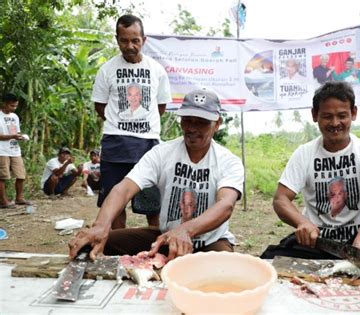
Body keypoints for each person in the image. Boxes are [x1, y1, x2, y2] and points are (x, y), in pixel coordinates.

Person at [69, 88, 244, 261]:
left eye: (201, 122)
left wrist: (186, 230)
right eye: (187, 120)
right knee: (88, 246)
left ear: (217, 124)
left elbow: (225, 205)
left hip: (210, 241)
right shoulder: (162, 153)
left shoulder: (228, 161)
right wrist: (101, 225)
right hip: (166, 236)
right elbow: (124, 189)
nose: (192, 128)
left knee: (224, 270)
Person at [260, 81, 360, 274]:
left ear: (354, 113)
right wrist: (301, 222)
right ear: (315, 115)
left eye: (342, 115)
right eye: (327, 116)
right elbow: (281, 199)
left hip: (358, 240)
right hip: (315, 240)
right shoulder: (304, 153)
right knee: (267, 265)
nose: (335, 123)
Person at [92, 14, 172, 229]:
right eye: (124, 40)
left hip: (148, 145)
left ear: (143, 40)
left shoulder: (157, 70)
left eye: (135, 40)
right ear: (117, 39)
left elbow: (161, 106)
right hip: (115, 144)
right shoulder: (106, 70)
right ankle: (118, 251)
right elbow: (100, 106)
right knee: (114, 203)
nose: (130, 46)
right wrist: (119, 124)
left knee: (152, 203)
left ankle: (156, 248)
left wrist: (142, 124)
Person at [0, 93, 31, 208]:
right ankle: (3, 201)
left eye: (15, 106)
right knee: (2, 177)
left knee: (21, 174)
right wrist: (12, 136)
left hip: (14, 149)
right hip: (2, 150)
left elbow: (15, 132)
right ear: (4, 104)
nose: (14, 108)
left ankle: (19, 198)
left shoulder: (15, 116)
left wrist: (20, 136)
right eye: (12, 106)